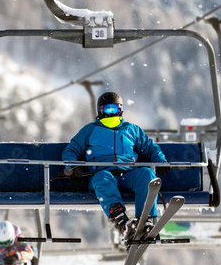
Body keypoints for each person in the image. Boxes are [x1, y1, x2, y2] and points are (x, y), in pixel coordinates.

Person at [62, 92, 168, 239]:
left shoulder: (131, 130)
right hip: (100, 175)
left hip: (127, 175)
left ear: (121, 110)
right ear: (100, 111)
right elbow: (71, 149)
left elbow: (150, 147)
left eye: (115, 109)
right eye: (107, 110)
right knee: (104, 178)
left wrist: (160, 161)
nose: (111, 113)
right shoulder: (90, 130)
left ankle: (145, 222)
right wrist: (72, 166)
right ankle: (122, 222)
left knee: (146, 174)